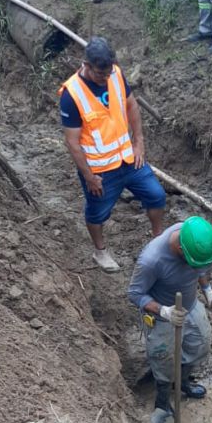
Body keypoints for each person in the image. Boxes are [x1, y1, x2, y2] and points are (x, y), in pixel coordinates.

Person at [60, 37, 166, 272]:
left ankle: (157, 240)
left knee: (157, 195)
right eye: (100, 74)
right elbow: (72, 142)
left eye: (108, 73)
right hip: (100, 171)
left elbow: (132, 106)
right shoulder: (72, 94)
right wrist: (89, 176)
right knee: (97, 213)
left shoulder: (115, 74)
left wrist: (139, 142)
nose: (105, 78)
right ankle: (100, 252)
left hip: (128, 159)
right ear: (86, 65)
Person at [128, 216, 212, 423]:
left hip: (190, 305)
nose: (195, 267)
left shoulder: (195, 236)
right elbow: (135, 293)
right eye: (191, 261)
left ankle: (182, 382)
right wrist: (164, 311)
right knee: (163, 359)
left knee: (200, 344)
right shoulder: (152, 260)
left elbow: (200, 267)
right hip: (162, 315)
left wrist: (207, 289)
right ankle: (162, 403)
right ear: (180, 249)